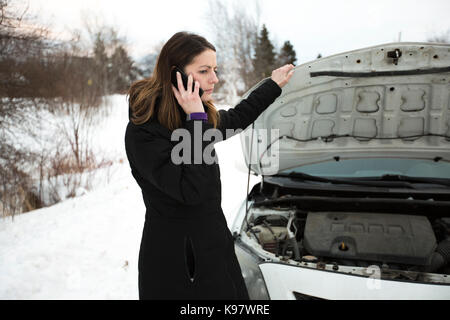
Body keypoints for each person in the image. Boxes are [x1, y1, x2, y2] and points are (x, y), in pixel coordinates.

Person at [125, 31, 294, 300]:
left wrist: (272, 85)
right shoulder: (144, 132)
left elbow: (238, 117)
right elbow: (191, 191)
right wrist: (196, 119)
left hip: (214, 245)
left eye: (215, 70)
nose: (214, 79)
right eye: (204, 71)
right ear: (175, 73)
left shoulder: (195, 116)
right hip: (178, 262)